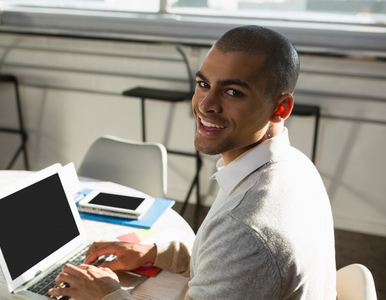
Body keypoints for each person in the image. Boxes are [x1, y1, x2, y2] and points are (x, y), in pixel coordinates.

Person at [48, 25, 337, 300]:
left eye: (233, 91)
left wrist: (107, 294)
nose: (205, 104)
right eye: (203, 84)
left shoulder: (244, 229)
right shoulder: (293, 165)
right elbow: (226, 262)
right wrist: (151, 253)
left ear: (280, 108)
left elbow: (240, 248)